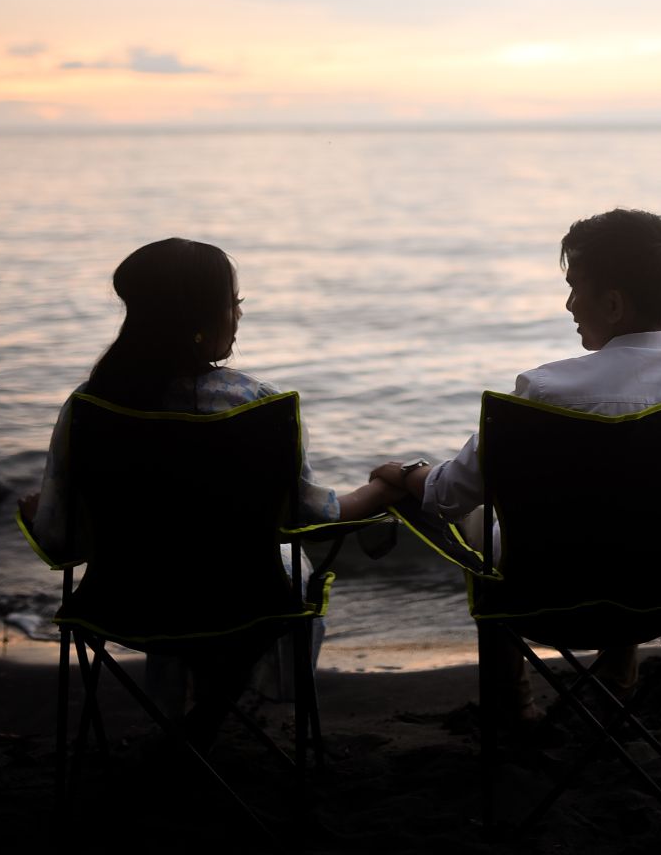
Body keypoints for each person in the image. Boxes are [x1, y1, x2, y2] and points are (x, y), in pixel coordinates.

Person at [371, 208, 661, 714]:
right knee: (636, 519)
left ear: (612, 304)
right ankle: (615, 680)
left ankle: (512, 705)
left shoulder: (544, 390)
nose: (569, 305)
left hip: (542, 598)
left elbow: (445, 494)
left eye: (574, 289)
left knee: (479, 520)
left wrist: (406, 473)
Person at [21, 237, 402, 709]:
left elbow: (59, 541)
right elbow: (310, 517)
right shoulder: (258, 405)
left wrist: (40, 515)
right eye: (232, 302)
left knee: (169, 566)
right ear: (200, 320)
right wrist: (382, 489)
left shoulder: (88, 407)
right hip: (244, 606)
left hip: (122, 606)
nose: (239, 314)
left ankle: (185, 724)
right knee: (285, 567)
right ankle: (206, 717)